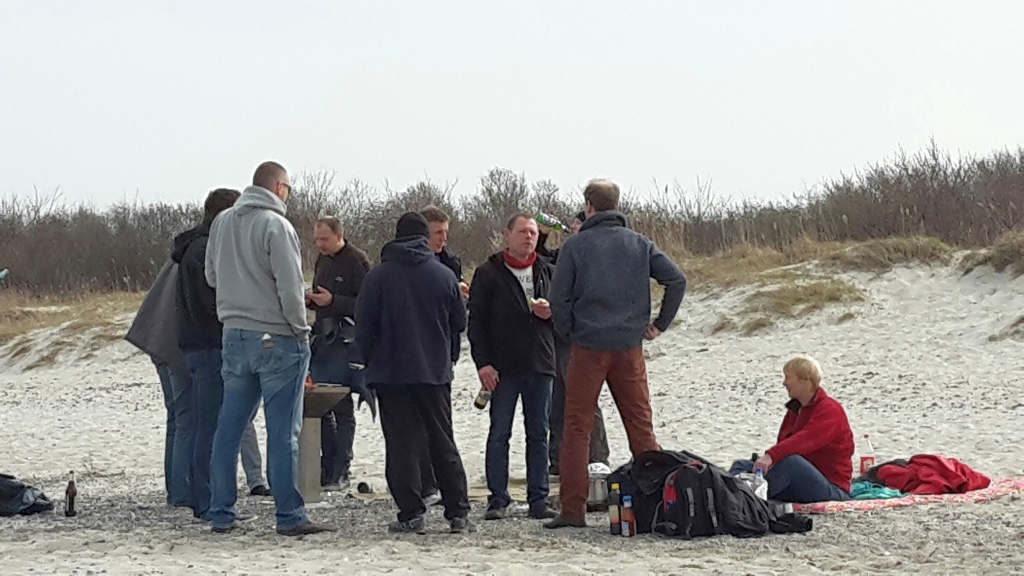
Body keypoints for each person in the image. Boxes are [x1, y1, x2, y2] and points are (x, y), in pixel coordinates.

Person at [545, 179, 688, 529]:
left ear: (588, 207)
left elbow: (558, 298)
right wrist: (659, 324)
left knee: (576, 428)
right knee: (640, 427)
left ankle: (572, 510)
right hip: (628, 346)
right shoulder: (638, 243)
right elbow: (676, 280)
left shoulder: (575, 246)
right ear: (618, 205)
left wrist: (568, 332)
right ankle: (654, 506)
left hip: (588, 346)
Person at [204, 161, 331, 536]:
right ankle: (289, 515)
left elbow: (211, 276)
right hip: (275, 336)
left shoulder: (222, 222)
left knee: (229, 428)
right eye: (288, 189)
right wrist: (300, 330)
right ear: (278, 188)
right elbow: (290, 288)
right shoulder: (277, 226)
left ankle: (221, 511)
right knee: (283, 431)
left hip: (234, 332)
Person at [356, 212, 472, 534]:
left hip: (390, 372)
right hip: (433, 371)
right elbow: (459, 323)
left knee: (401, 445)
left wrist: (371, 361)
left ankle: (410, 512)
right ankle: (458, 512)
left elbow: (364, 328)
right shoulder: (444, 276)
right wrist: (447, 357)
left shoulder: (376, 278)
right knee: (442, 441)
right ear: (423, 237)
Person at [171, 188, 271, 520]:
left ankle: (204, 498)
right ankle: (209, 501)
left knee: (206, 423)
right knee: (211, 425)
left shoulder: (194, 247)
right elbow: (211, 302)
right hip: (209, 345)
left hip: (197, 344)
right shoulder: (204, 249)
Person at [468, 213, 558, 521]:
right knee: (499, 433)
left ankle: (539, 499)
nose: (528, 237)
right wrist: (483, 364)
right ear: (507, 235)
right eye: (522, 232)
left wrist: (552, 314)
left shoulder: (547, 270)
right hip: (502, 367)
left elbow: (566, 316)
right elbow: (476, 323)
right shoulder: (488, 272)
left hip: (541, 363)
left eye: (532, 232)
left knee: (539, 434)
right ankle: (498, 498)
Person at [536, 210, 611, 475]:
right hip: (557, 335)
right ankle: (558, 460)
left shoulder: (594, 254)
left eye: (578, 224)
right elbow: (541, 259)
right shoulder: (567, 254)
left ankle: (598, 457)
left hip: (582, 335)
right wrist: (542, 235)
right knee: (557, 398)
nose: (572, 227)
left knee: (584, 398)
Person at [305, 216, 372, 492]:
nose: (320, 244)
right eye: (317, 240)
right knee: (320, 406)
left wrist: (334, 301)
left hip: (346, 342)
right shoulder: (322, 261)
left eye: (325, 239)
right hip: (323, 341)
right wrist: (312, 301)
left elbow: (367, 304)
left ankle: (342, 469)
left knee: (343, 407)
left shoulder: (357, 261)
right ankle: (327, 465)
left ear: (339, 235)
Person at [731, 356, 854, 503]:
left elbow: (805, 440)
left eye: (788, 378)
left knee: (792, 463)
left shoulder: (830, 409)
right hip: (800, 483)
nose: (784, 383)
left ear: (805, 381)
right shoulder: (796, 409)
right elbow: (784, 442)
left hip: (831, 488)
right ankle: (728, 494)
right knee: (741, 465)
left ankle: (748, 498)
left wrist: (771, 456)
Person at [125, 260, 194, 509]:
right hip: (176, 347)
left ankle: (175, 490)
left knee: (176, 419)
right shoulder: (197, 257)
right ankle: (182, 491)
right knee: (186, 420)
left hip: (157, 340)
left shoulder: (177, 257)